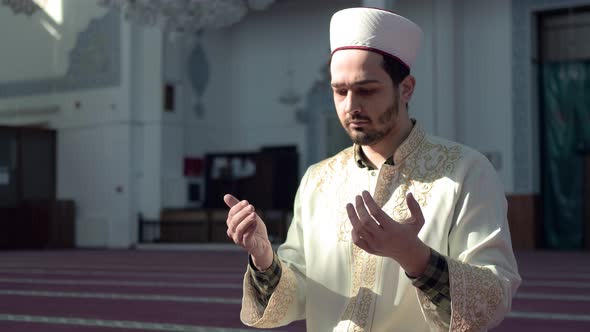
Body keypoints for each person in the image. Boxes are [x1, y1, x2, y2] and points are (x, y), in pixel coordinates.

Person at [223, 7, 521, 332]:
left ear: (406, 88)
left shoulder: (465, 172)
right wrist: (264, 258)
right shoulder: (318, 180)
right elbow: (297, 297)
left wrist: (415, 257)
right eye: (340, 91)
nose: (350, 105)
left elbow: (493, 297)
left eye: (366, 90)